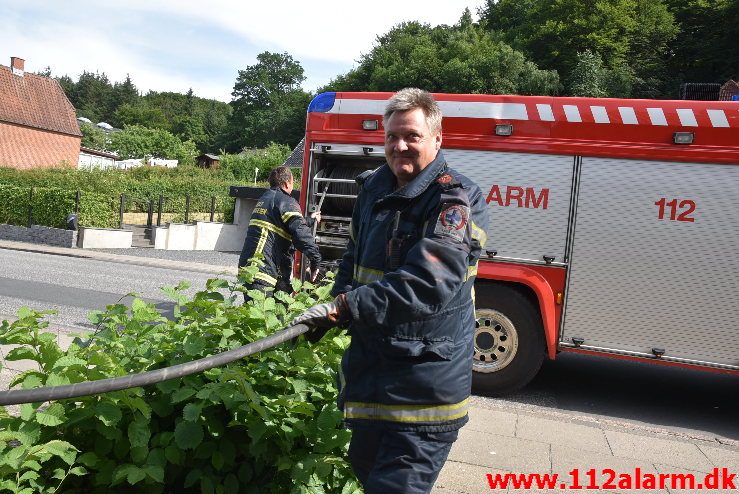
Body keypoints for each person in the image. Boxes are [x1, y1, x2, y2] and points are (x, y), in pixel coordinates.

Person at [291, 88, 489, 493]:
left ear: (437, 138)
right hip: (373, 377)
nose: (400, 146)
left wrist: (345, 308)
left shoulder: (454, 200)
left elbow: (427, 284)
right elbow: (354, 258)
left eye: (412, 136)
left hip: (423, 390)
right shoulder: (374, 188)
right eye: (391, 137)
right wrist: (334, 302)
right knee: (367, 474)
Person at [238, 166, 321, 299]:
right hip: (263, 273)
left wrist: (309, 220)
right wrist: (316, 260)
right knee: (265, 316)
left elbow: (284, 224)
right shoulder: (286, 201)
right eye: (293, 182)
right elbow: (301, 235)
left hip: (250, 270)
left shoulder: (265, 199)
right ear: (287, 183)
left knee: (258, 315)